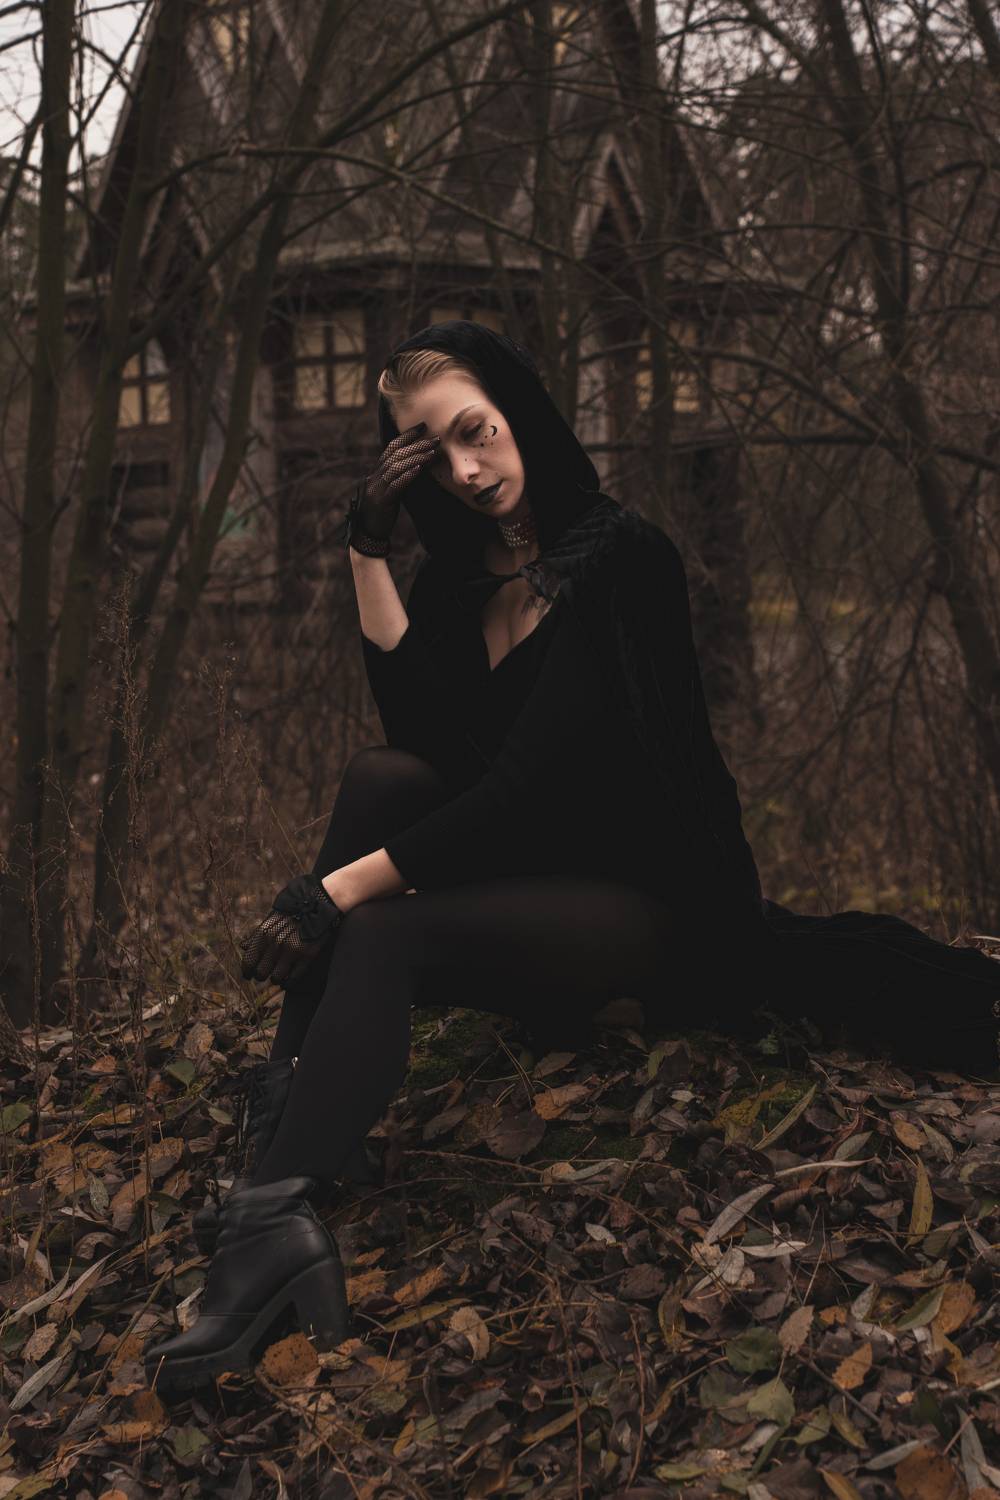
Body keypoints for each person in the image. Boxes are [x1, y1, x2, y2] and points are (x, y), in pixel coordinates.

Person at [145, 320, 1000, 1398]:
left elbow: (518, 794)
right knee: (379, 777)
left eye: (477, 432)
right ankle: (288, 1128)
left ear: (521, 413)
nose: (465, 471)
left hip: (652, 909)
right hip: (538, 882)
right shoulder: (465, 578)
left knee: (380, 926)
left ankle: (268, 1226)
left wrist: (330, 891)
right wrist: (367, 551)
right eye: (433, 458)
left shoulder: (622, 561)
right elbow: (427, 745)